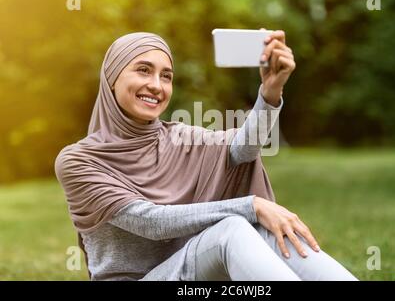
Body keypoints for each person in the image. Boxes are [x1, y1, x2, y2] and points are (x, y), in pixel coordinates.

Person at [55, 31, 358, 281]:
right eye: (143, 70)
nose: (156, 85)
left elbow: (242, 149)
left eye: (166, 76)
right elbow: (151, 222)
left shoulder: (179, 138)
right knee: (234, 227)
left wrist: (270, 92)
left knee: (259, 228)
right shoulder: (79, 160)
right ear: (111, 77)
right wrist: (251, 205)